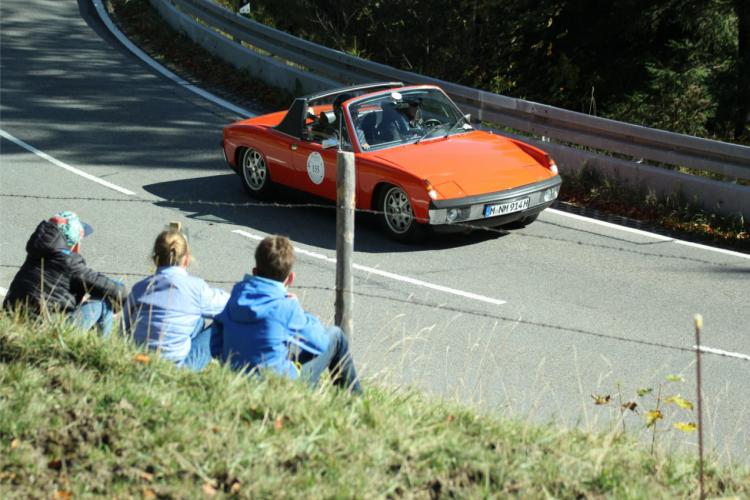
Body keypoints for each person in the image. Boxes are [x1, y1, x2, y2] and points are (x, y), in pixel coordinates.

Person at [212, 235, 362, 394]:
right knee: (336, 336)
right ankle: (356, 405)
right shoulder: (287, 307)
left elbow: (215, 347)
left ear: (254, 272)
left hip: (237, 383)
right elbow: (320, 343)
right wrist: (302, 312)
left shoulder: (234, 299)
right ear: (290, 278)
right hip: (279, 389)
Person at [124, 225, 229, 371]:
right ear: (186, 260)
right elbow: (229, 305)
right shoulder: (196, 289)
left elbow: (124, 329)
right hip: (176, 368)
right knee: (222, 322)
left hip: (140, 361)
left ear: (155, 259)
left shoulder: (140, 288)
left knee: (197, 320)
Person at [3, 211, 126, 336]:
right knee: (103, 303)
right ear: (73, 241)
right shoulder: (68, 261)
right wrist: (127, 304)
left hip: (13, 320)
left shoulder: (35, 253)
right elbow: (112, 289)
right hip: (48, 329)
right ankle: (100, 351)